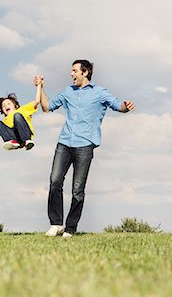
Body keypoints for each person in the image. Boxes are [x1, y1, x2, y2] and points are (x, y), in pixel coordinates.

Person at [35, 59, 136, 237]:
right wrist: (41, 87)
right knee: (55, 181)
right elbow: (46, 107)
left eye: (75, 71)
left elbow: (118, 106)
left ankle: (71, 228)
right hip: (65, 142)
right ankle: (56, 223)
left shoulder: (100, 93)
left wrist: (126, 107)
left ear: (85, 72)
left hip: (85, 145)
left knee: (77, 189)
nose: (71, 74)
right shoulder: (68, 92)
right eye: (72, 71)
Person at [0, 84, 41, 150]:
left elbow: (37, 101)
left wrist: (39, 85)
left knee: (17, 115)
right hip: (16, 139)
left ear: (15, 106)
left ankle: (26, 141)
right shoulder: (5, 121)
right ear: (2, 110)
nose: (6, 106)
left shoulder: (22, 109)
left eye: (8, 104)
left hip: (25, 134)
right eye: (3, 106)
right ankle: (12, 141)